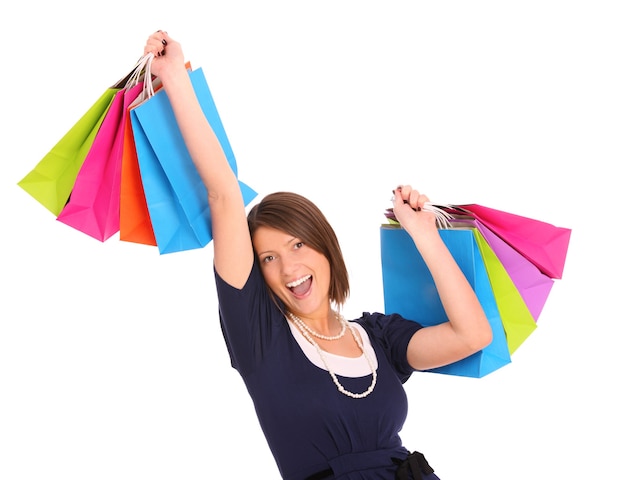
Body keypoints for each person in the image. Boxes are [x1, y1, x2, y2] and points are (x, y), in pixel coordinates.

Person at [143, 31, 493, 480]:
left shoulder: (379, 339)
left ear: (326, 248)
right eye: (267, 259)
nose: (288, 267)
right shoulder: (261, 337)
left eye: (297, 245)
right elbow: (225, 196)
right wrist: (174, 76)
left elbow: (472, 335)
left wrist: (424, 233)